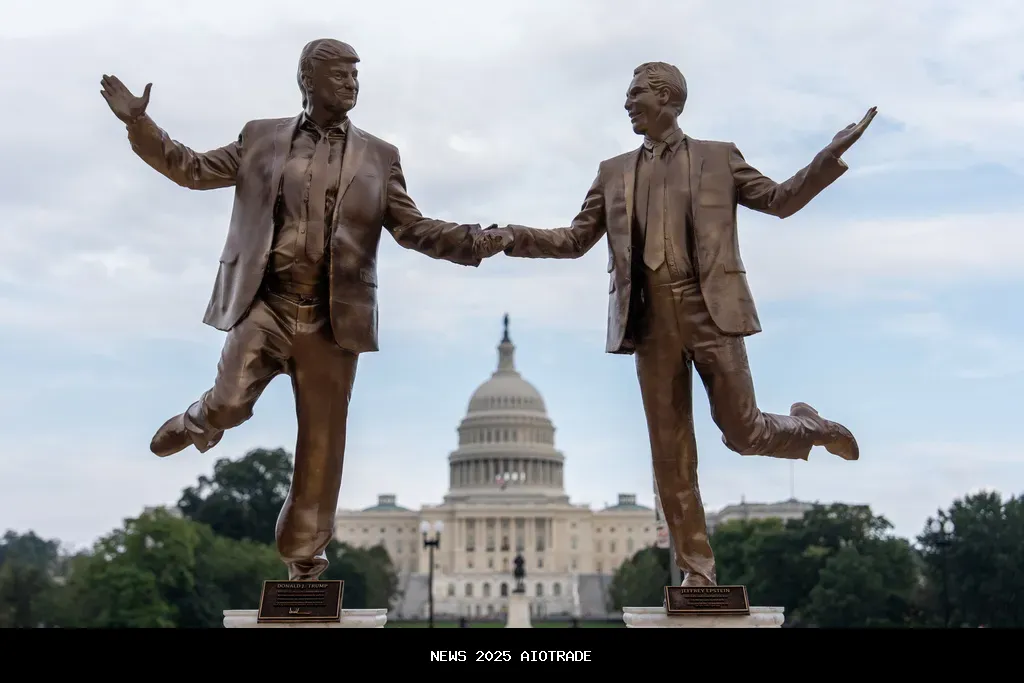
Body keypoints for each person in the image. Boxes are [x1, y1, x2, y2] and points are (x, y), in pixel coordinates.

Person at [474, 61, 875, 587]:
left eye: (635, 93)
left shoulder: (718, 157)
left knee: (743, 432)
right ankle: (698, 572)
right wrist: (511, 236)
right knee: (671, 453)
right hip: (650, 319)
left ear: (667, 98)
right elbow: (575, 240)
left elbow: (780, 202)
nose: (626, 104)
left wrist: (826, 158)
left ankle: (810, 427)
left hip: (710, 310)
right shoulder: (613, 171)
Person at [100, 38, 486, 581]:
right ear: (308, 78)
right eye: (342, 75)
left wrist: (473, 241)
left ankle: (304, 557)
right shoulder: (261, 138)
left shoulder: (379, 155)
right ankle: (200, 420)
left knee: (322, 448)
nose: (353, 84)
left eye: (357, 75)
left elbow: (413, 228)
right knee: (231, 403)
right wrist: (141, 125)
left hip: (332, 320)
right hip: (266, 305)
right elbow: (191, 168)